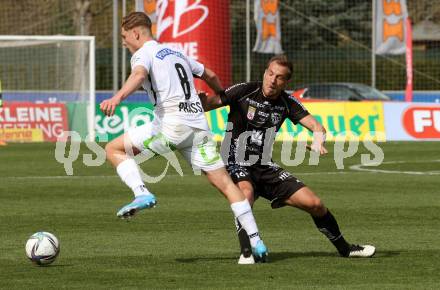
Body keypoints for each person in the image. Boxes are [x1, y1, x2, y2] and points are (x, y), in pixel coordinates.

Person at [99, 12, 268, 261]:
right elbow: (209, 75)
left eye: (124, 37)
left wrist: (117, 97)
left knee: (113, 149)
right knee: (225, 184)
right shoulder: (176, 53)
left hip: (171, 125)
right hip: (198, 125)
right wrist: (222, 94)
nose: (124, 42)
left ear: (136, 33)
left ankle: (141, 192)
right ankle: (257, 241)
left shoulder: (143, 53)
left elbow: (138, 75)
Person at [200, 55, 375, 264]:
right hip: (234, 160)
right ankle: (247, 251)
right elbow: (208, 104)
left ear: (285, 82)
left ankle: (346, 249)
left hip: (265, 165)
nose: (273, 80)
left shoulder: (287, 103)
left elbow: (317, 126)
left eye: (279, 77)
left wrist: (319, 141)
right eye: (270, 73)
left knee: (315, 204)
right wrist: (198, 102)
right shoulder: (244, 90)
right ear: (265, 73)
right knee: (245, 195)